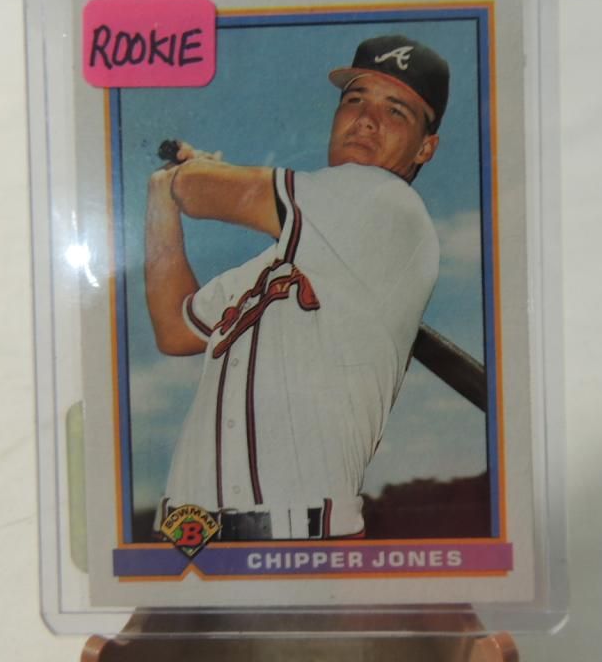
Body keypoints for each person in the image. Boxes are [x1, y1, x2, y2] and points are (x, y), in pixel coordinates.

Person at [145, 34, 450, 541]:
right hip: (188, 538)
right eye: (355, 99)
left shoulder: (388, 204)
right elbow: (175, 330)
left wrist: (186, 177)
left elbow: (199, 192)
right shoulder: (274, 263)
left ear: (426, 147)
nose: (366, 119)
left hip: (304, 542)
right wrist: (162, 202)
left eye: (395, 110)